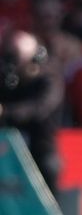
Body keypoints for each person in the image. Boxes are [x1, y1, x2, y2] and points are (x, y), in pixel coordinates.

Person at [0, 29, 63, 193]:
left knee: (49, 167)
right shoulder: (7, 79)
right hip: (7, 148)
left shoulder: (50, 80)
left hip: (39, 146)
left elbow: (39, 108)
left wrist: (6, 111)